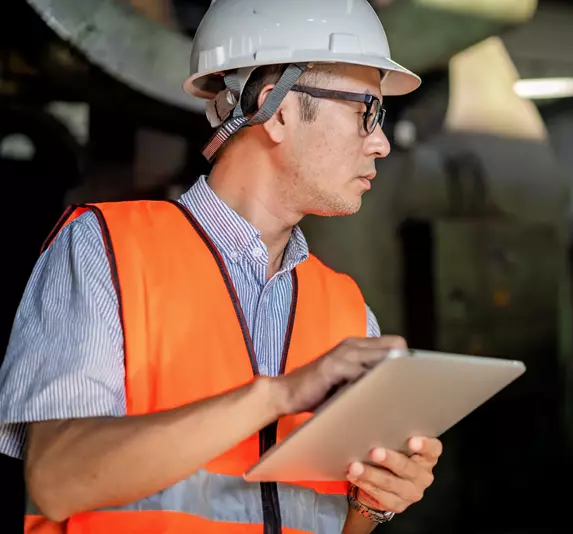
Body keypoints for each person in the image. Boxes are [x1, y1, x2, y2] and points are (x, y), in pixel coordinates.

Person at [0, 1, 441, 533]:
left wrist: (369, 503)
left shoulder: (347, 311)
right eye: (365, 111)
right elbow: (56, 480)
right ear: (276, 110)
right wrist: (279, 395)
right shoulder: (106, 252)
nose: (381, 142)